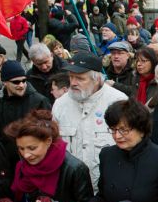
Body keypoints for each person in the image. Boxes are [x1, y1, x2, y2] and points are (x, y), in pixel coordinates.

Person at [0, 109, 93, 202]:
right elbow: (20, 197)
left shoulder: (75, 169)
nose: (26, 155)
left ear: (48, 141)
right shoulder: (21, 165)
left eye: (32, 148)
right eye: (21, 148)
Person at [52, 52, 128, 189]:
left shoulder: (118, 101)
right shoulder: (60, 104)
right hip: (72, 188)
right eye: (71, 77)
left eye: (80, 78)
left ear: (97, 79)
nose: (73, 83)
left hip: (109, 187)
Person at [0, 61, 51, 164]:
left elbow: (48, 133)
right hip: (5, 159)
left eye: (24, 80)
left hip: (32, 160)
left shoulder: (39, 101)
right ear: (5, 82)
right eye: (16, 82)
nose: (21, 85)